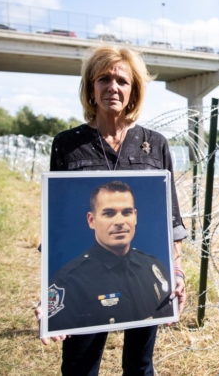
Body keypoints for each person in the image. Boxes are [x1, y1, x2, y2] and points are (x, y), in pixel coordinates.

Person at [36, 44, 187, 376]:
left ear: (133, 90)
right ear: (91, 87)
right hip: (85, 280)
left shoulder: (156, 144)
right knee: (79, 366)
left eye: (122, 80)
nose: (112, 87)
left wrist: (175, 274)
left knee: (140, 365)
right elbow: (57, 224)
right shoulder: (67, 145)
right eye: (104, 79)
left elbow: (171, 222)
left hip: (144, 276)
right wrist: (51, 296)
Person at [48, 181, 174, 332]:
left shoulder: (153, 267)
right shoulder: (70, 281)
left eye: (126, 212)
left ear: (135, 216)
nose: (120, 222)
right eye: (109, 213)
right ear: (91, 220)